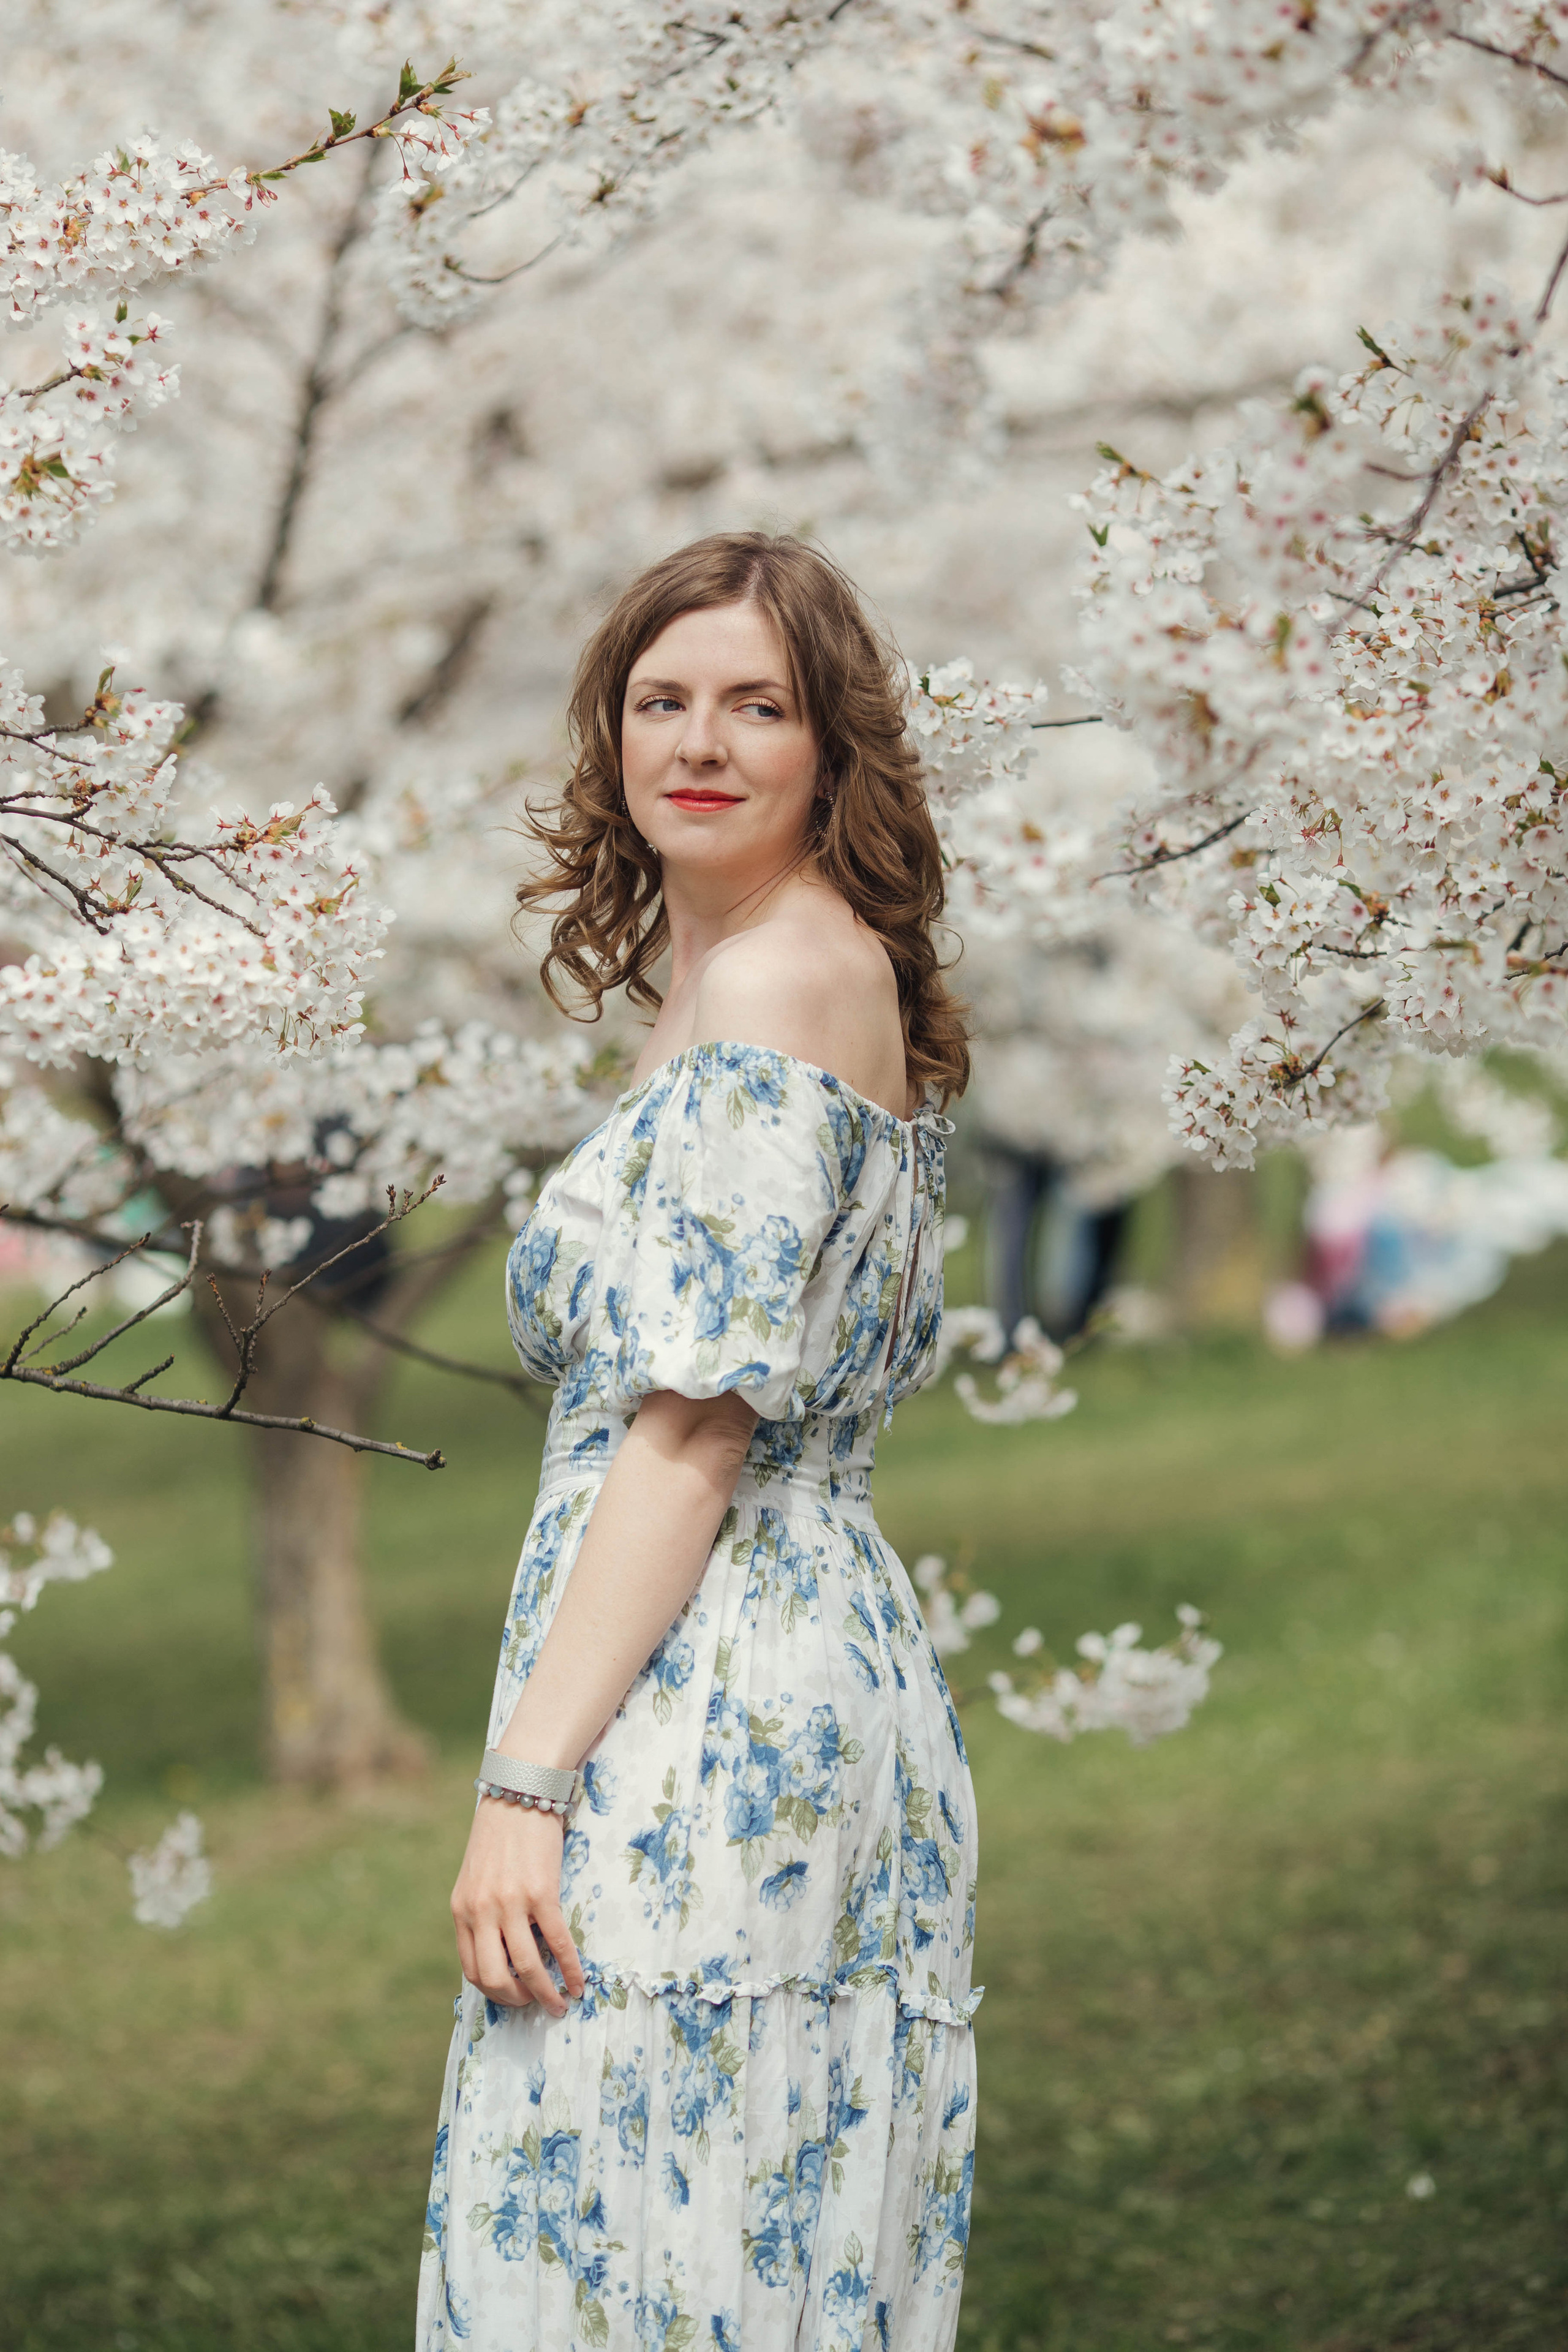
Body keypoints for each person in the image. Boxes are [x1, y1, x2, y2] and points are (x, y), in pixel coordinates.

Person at [417, 533, 981, 2352]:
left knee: (655, 2222)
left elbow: (691, 1435)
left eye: (759, 705)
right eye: (662, 701)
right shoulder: (776, 967)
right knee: (729, 2214)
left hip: (716, 1675)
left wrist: (524, 1788)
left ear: (834, 745)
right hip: (775, 1645)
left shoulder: (771, 987)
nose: (703, 743)